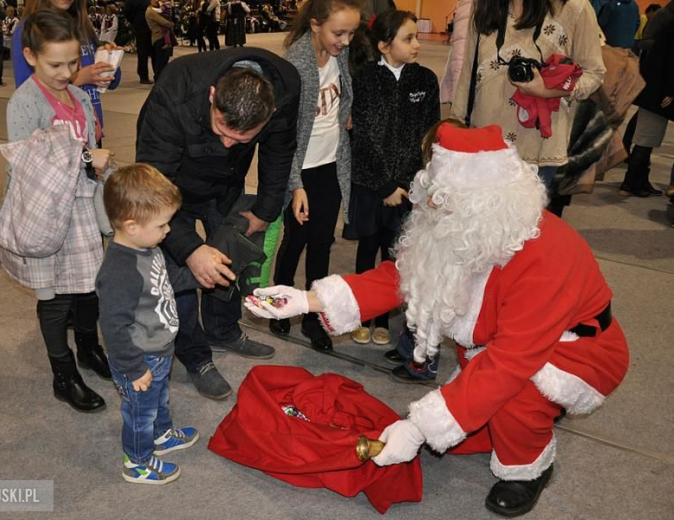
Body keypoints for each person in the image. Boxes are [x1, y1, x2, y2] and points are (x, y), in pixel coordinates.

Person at [247, 122, 629, 518]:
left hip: (575, 353)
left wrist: (417, 428)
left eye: (444, 199)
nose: (430, 206)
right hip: (498, 347)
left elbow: (512, 361)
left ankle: (530, 468)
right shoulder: (467, 228)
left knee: (514, 400)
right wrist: (307, 300)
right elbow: (402, 278)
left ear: (485, 200)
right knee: (458, 429)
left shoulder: (548, 254)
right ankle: (500, 425)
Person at [136, 48, 300, 400]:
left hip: (225, 182)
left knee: (229, 256)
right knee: (179, 273)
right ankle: (196, 357)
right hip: (170, 183)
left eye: (241, 139)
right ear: (212, 96)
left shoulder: (285, 85)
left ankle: (223, 329)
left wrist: (266, 209)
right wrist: (190, 248)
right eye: (222, 129)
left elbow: (279, 151)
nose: (228, 144)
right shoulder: (177, 86)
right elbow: (152, 183)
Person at [3, 9, 116, 413]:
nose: (66, 72)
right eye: (55, 63)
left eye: (72, 62)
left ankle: (88, 348)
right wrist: (87, 158)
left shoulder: (82, 96)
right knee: (54, 299)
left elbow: (90, 147)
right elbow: (25, 161)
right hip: (48, 213)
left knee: (89, 289)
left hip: (84, 209)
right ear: (31, 56)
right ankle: (63, 373)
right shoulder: (24, 102)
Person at [96, 163, 199, 485]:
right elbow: (113, 327)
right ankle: (137, 463)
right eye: (162, 224)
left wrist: (198, 277)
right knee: (140, 413)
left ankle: (162, 436)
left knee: (159, 398)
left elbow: (162, 282)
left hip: (158, 347)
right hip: (138, 356)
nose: (168, 231)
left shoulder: (147, 247)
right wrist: (134, 367)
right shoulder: (119, 271)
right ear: (132, 226)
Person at [344, 9, 439, 350]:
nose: (416, 44)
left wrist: (410, 183)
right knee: (367, 247)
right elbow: (364, 136)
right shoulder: (365, 79)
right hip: (372, 184)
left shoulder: (425, 80)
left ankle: (383, 317)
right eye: (408, 38)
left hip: (408, 185)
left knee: (394, 251)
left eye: (416, 37)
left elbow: (430, 136)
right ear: (384, 45)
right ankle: (360, 312)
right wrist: (385, 186)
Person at [269, 0, 361, 352]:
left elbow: (343, 95)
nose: (346, 40)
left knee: (322, 243)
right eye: (339, 32)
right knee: (295, 241)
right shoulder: (295, 65)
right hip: (301, 170)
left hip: (330, 167)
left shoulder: (340, 55)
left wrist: (346, 114)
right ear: (314, 25)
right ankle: (281, 303)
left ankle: (312, 317)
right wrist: (295, 186)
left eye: (351, 32)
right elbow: (284, 134)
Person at [451, 0, 605, 190]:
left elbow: (594, 73)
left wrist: (546, 90)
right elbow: (468, 74)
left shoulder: (574, 8)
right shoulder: (485, 5)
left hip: (538, 146)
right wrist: (455, 126)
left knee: (525, 218)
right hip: (483, 141)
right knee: (478, 215)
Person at [12, 0, 122, 141]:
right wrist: (76, 79)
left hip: (90, 132)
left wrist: (108, 61)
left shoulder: (82, 25)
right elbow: (26, 94)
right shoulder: (30, 30)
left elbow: (112, 82)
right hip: (54, 139)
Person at [619, 0, 674, 197]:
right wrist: (669, 90)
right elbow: (666, 61)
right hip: (658, 94)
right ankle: (630, 184)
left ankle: (638, 182)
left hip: (654, 92)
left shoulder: (665, 20)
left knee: (645, 140)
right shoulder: (667, 20)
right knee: (645, 140)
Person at [124, 0, 156, 83]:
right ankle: (153, 75)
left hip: (142, 25)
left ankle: (144, 76)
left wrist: (134, 21)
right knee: (151, 51)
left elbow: (127, 11)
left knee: (143, 52)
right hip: (149, 25)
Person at [145, 0, 174, 80]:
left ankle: (161, 78)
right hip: (159, 38)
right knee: (160, 61)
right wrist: (171, 24)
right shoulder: (150, 11)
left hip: (164, 37)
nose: (157, 0)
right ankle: (158, 78)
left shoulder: (157, 9)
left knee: (164, 60)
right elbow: (164, 22)